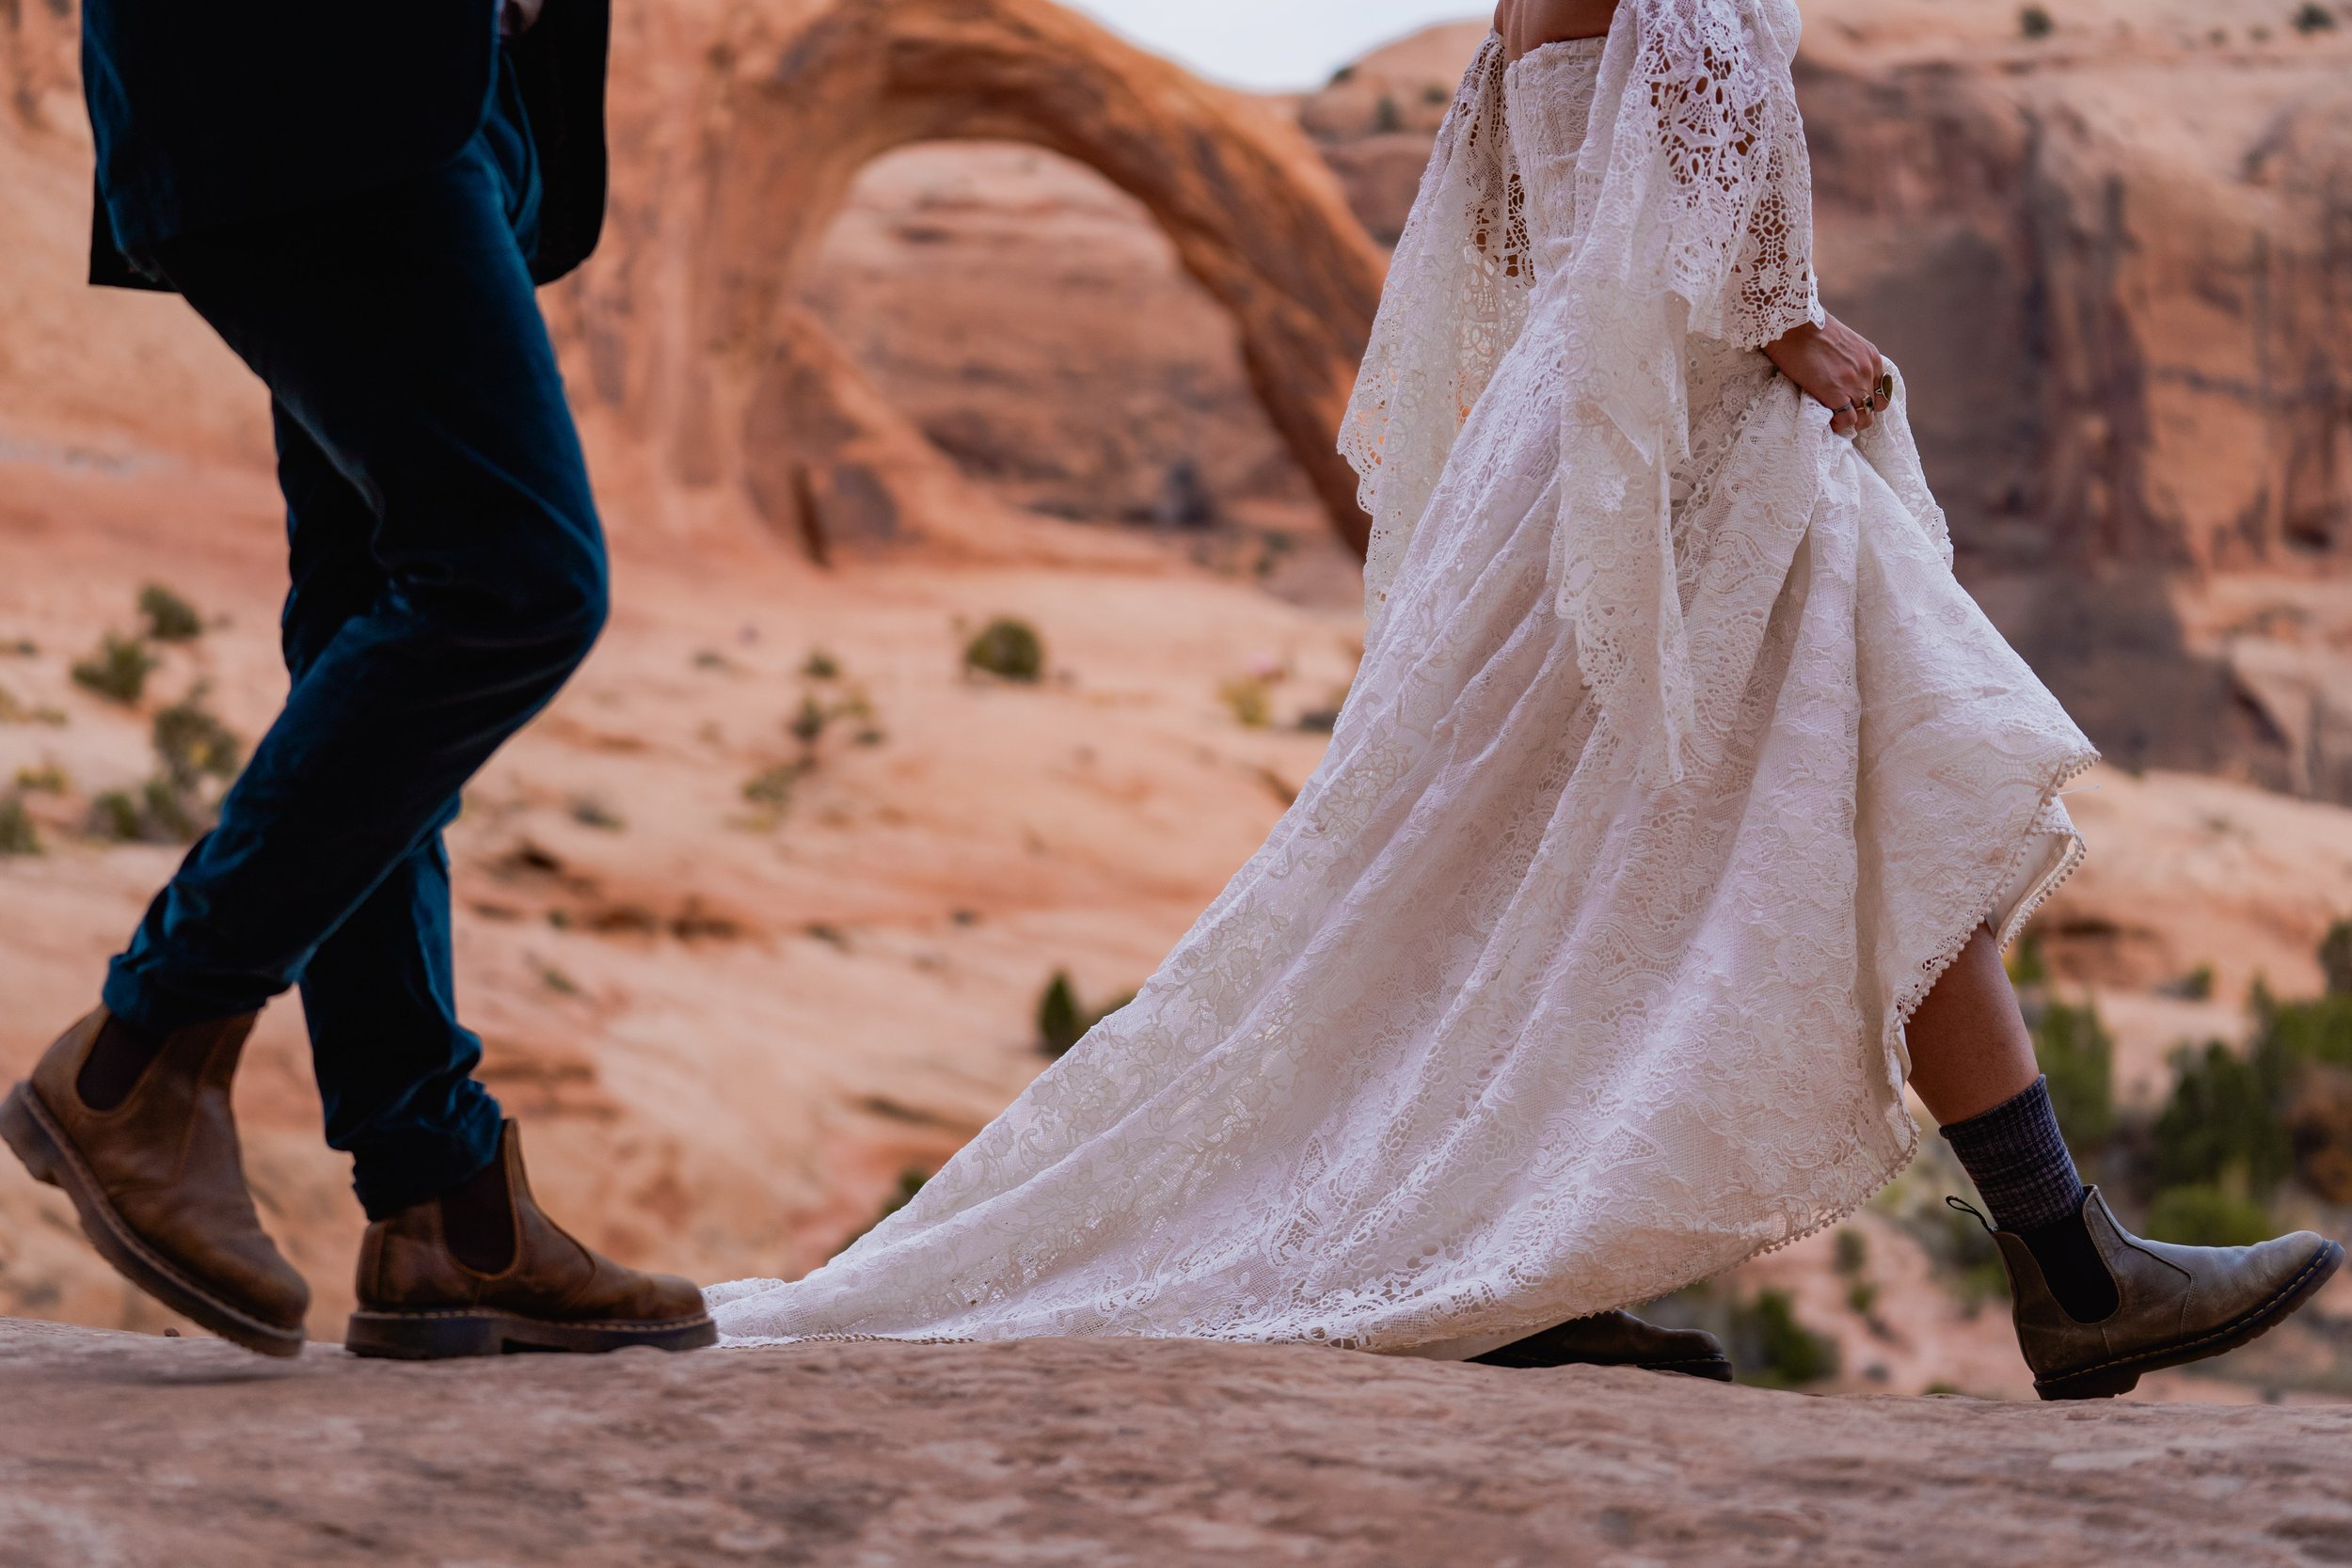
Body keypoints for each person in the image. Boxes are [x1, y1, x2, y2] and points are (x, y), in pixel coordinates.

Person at [707, 0, 2342, 1400]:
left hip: (1596, 414)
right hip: (1678, 424)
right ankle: (2059, 1263)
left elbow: (1515, 217)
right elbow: (1706, 169)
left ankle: (2036, 1262)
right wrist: (1787, 328)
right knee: (1874, 785)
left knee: (1649, 838)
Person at [0, 0, 714, 1360]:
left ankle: (441, 1204)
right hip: (311, 74)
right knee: (512, 579)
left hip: (454, 94)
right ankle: (141, 1056)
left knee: (368, 611)